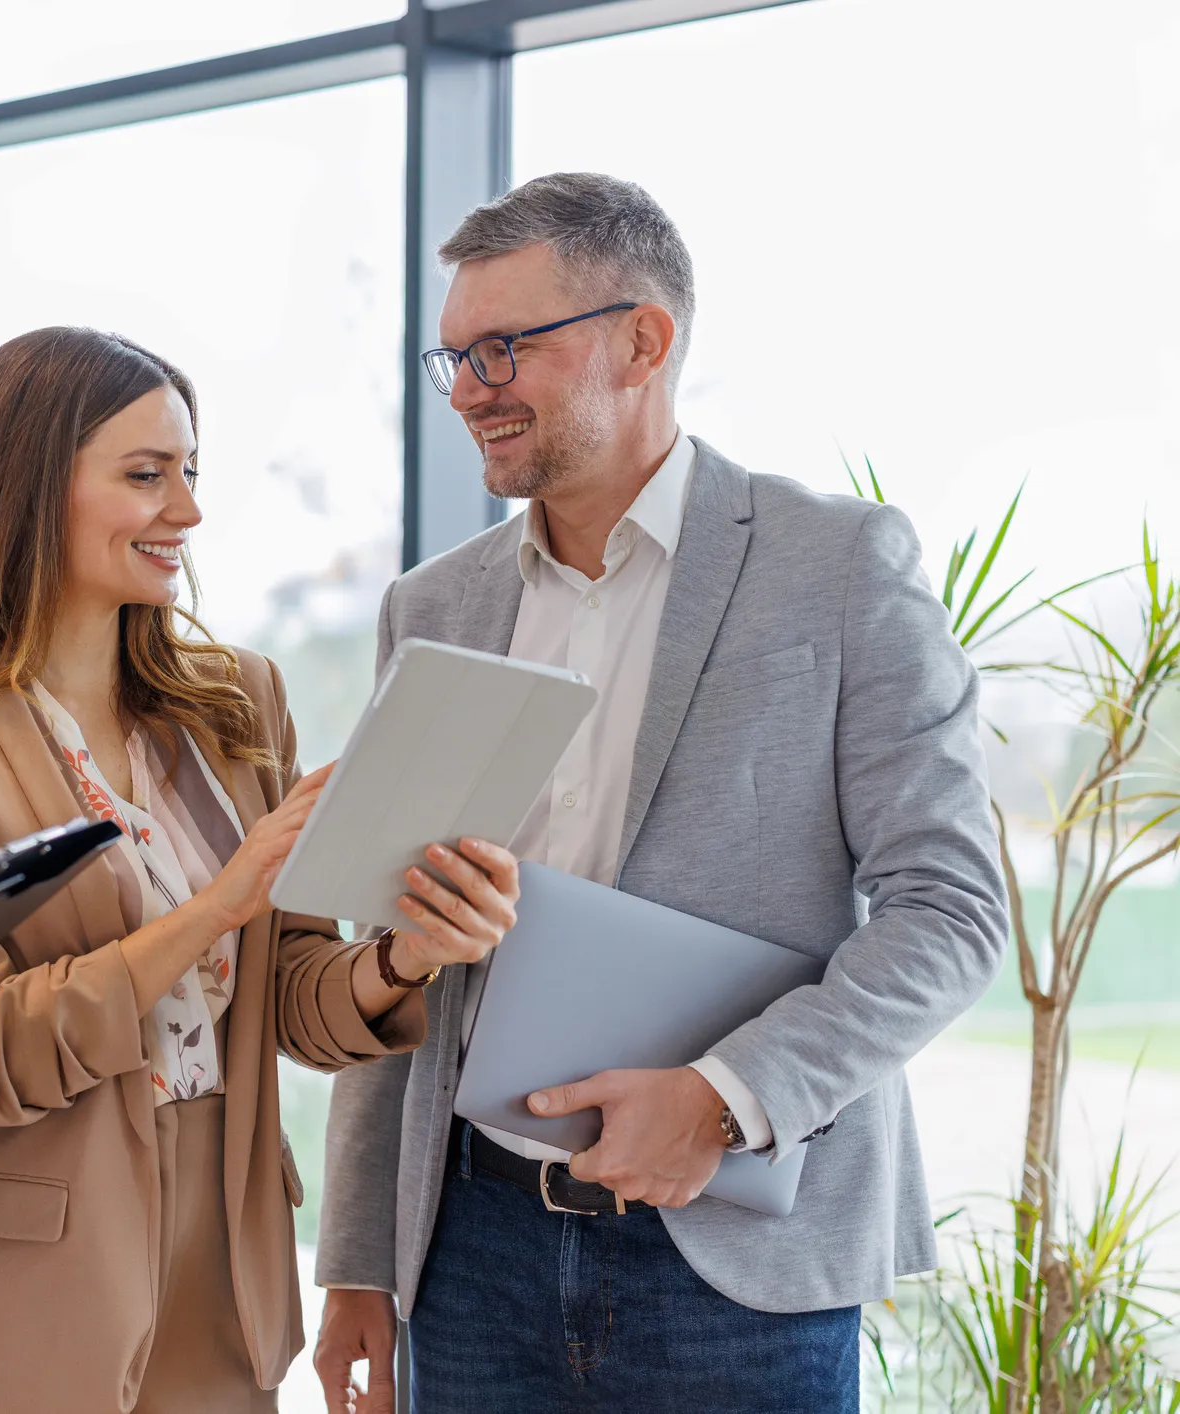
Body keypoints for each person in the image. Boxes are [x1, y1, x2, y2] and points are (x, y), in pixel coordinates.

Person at [312, 172, 1008, 1413]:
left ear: (643, 340)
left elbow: (947, 910)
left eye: (505, 349)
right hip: (469, 1255)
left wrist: (723, 1100)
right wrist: (358, 1261)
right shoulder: (431, 607)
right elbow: (394, 930)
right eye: (455, 356)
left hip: (734, 1265)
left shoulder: (839, 566)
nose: (470, 389)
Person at [0, 326, 519, 1414]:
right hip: (18, 1284)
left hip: (223, 1259)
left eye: (189, 474)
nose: (186, 513)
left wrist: (403, 956)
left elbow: (295, 998)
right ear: (24, 487)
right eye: (145, 476)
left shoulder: (235, 699)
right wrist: (211, 910)